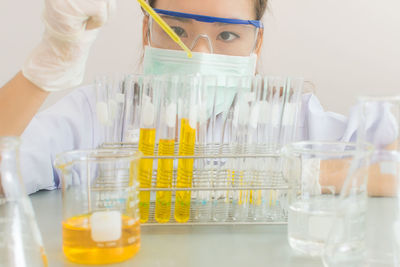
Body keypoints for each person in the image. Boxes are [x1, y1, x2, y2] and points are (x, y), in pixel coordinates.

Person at [0, 0, 394, 194]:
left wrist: (305, 173)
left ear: (256, 44)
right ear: (146, 33)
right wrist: (46, 67)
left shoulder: (291, 117)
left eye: (226, 35)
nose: (200, 56)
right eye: (176, 31)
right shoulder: (96, 114)